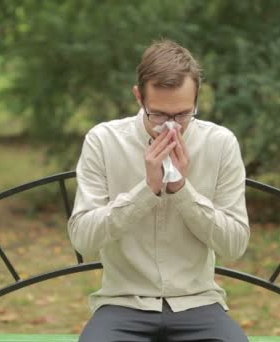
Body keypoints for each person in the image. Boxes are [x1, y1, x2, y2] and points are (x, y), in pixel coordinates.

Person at [68, 39, 251, 342]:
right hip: (123, 302)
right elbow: (83, 239)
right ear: (139, 97)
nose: (172, 128)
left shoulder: (220, 143)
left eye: (182, 115)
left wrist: (181, 189)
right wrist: (147, 190)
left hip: (198, 301)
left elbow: (234, 246)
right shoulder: (104, 140)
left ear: (196, 101)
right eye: (160, 116)